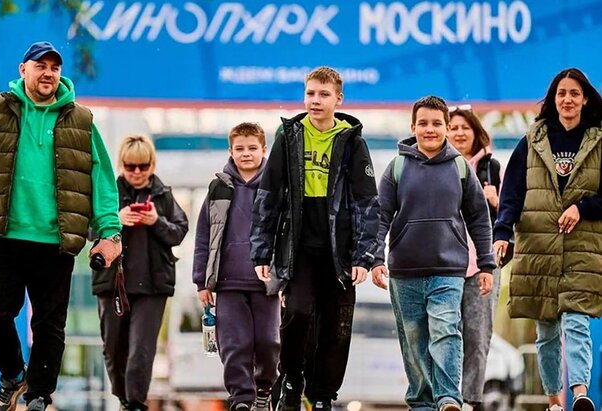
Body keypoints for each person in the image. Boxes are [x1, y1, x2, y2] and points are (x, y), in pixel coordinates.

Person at [0, 41, 123, 411]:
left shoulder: (81, 120)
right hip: (2, 236)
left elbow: (101, 181)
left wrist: (109, 232)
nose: (48, 73)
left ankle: (39, 395)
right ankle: (13, 376)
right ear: (23, 69)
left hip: (55, 240)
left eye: (54, 67)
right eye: (40, 66)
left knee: (49, 325)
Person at [250, 66, 380, 411]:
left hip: (339, 251)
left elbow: (367, 203)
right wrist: (261, 251)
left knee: (336, 326)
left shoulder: (352, 141)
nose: (315, 100)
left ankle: (322, 395)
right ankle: (292, 380)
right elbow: (269, 195)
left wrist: (364, 256)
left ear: (339, 99)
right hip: (299, 248)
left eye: (324, 94)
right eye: (310, 93)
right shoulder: (289, 136)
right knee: (296, 313)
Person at [371, 96, 496, 411]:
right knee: (414, 342)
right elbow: (380, 216)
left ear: (446, 127)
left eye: (437, 123)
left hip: (448, 270)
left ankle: (448, 398)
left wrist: (486, 264)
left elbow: (479, 218)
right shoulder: (397, 167)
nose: (430, 129)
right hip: (405, 272)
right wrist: (375, 259)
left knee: (445, 330)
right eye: (423, 123)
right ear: (413, 127)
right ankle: (422, 403)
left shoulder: (460, 168)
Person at [493, 68, 602, 411]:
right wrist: (502, 233)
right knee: (547, 331)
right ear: (553, 100)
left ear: (585, 99)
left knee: (576, 321)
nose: (567, 99)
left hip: (583, 249)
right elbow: (511, 193)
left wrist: (582, 208)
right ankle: (555, 401)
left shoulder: (600, 141)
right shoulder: (533, 141)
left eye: (574, 93)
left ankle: (579, 394)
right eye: (561, 93)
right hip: (538, 247)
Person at [92, 134, 188, 411]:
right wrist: (116, 220)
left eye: (143, 166)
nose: (136, 172)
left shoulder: (163, 194)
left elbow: (179, 231)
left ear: (152, 165)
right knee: (113, 349)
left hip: (153, 286)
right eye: (130, 166)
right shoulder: (107, 192)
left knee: (141, 351)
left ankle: (135, 403)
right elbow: (87, 228)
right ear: (120, 164)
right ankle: (124, 399)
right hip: (112, 284)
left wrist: (156, 221)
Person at [193, 122, 280, 411]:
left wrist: (286, 278)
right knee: (234, 345)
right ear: (230, 151)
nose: (246, 153)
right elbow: (204, 236)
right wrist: (202, 281)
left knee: (268, 342)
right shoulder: (218, 188)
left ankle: (264, 389)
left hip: (267, 283)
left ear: (264, 150)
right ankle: (241, 398)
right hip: (227, 282)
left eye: (252, 148)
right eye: (239, 148)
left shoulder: (276, 187)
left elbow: (286, 234)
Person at [447, 106, 503, 409]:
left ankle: (470, 401)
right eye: (453, 127)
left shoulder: (492, 167)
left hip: (484, 265)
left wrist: (496, 201)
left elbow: (511, 215)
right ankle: (446, 398)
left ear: (476, 132)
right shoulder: (437, 165)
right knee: (444, 334)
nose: (458, 133)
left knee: (478, 337)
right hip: (445, 263)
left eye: (464, 127)